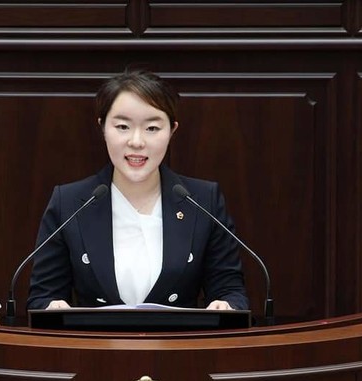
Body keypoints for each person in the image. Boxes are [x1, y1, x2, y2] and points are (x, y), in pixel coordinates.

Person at [27, 69, 248, 311]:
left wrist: (226, 306)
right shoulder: (69, 203)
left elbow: (230, 289)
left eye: (152, 128)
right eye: (122, 126)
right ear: (103, 128)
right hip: (95, 337)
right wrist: (51, 307)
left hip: (179, 336)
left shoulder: (203, 200)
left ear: (172, 131)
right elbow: (42, 296)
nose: (136, 142)